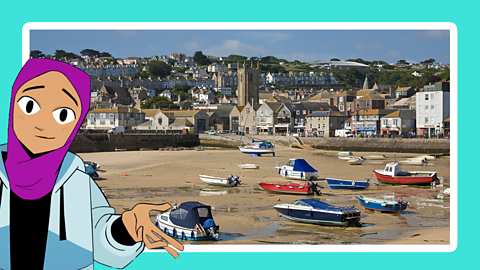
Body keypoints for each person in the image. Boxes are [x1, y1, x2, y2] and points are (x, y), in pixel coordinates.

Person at [0, 59, 183, 269]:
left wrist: (124, 230)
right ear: (13, 105)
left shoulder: (76, 180)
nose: (42, 123)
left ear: (76, 123)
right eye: (30, 105)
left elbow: (101, 241)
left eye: (62, 115)